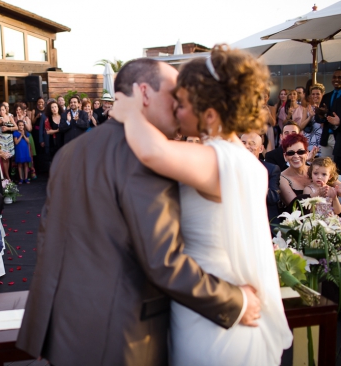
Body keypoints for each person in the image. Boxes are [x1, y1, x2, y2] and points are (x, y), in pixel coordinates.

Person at [18, 56, 266, 365]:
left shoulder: (70, 151)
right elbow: (163, 261)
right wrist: (237, 301)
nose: (178, 106)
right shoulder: (145, 157)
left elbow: (49, 239)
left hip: (67, 330)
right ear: (145, 93)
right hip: (125, 336)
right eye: (174, 96)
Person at [110, 49, 291, 364]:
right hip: (219, 301)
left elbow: (153, 152)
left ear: (209, 115)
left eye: (182, 104)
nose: (176, 111)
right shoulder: (243, 161)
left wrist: (130, 111)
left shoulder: (216, 159)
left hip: (213, 315)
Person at [241, 132, 281, 229]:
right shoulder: (230, 168)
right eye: (243, 142)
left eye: (252, 143)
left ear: (261, 149)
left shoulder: (271, 169)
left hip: (263, 221)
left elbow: (273, 197)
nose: (246, 146)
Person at [321, 68, 341, 168]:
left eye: (339, 77)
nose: (336, 79)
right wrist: (321, 114)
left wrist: (339, 123)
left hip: (339, 138)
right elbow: (320, 118)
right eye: (334, 77)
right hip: (326, 137)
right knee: (325, 167)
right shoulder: (326, 96)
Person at [0, 105, 17, 181]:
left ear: (6, 110)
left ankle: (7, 175)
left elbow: (16, 127)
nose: (1, 112)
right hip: (0, 140)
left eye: (3, 110)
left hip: (9, 139)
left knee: (8, 158)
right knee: (4, 158)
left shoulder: (10, 117)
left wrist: (8, 128)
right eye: (0, 110)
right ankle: (7, 176)